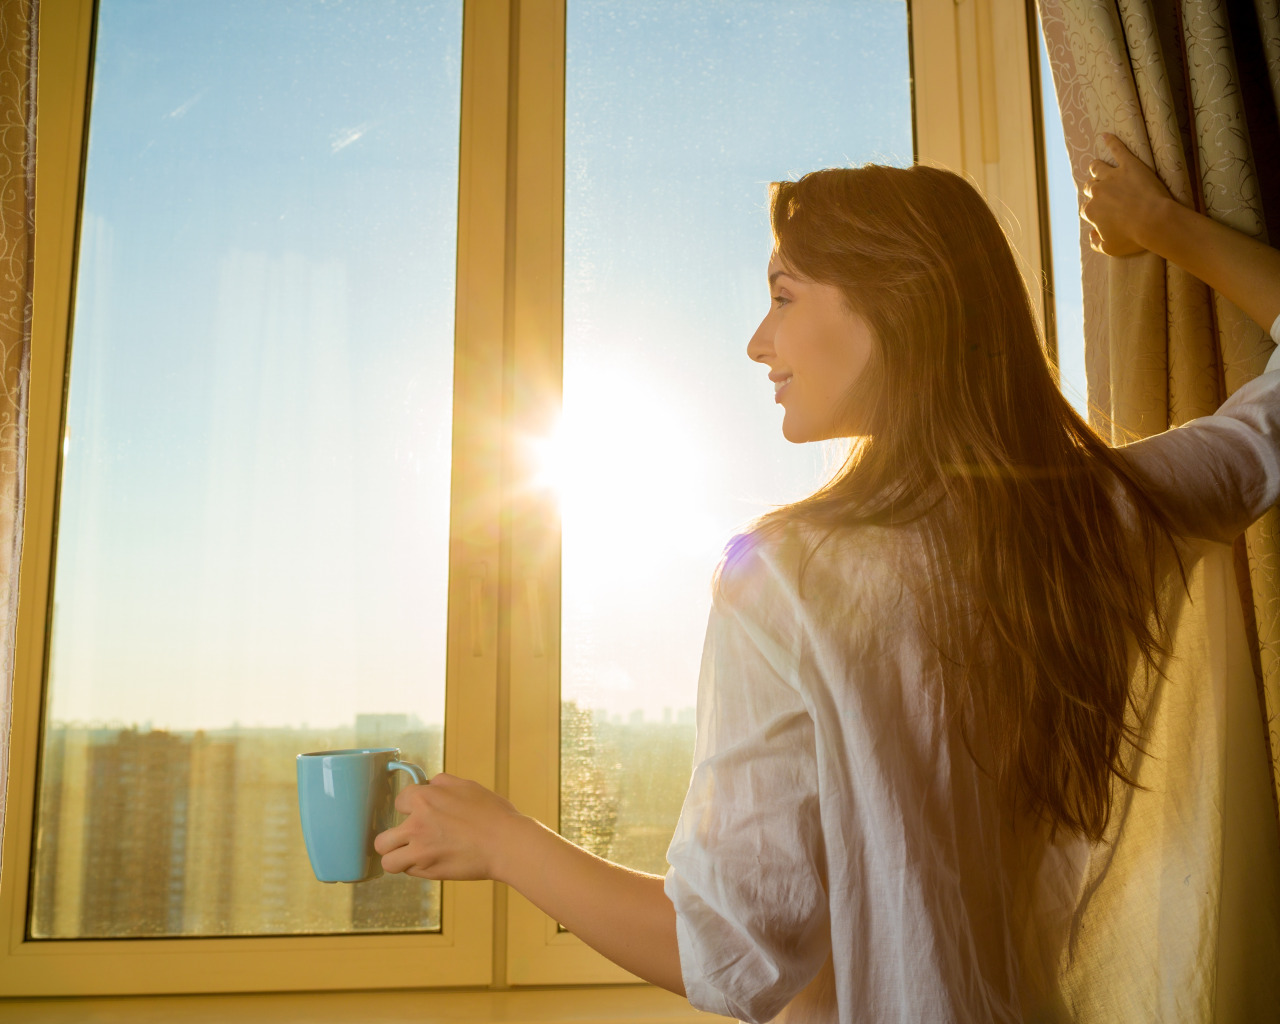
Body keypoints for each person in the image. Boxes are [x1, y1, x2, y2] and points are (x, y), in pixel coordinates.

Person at [373, 135, 1280, 1021]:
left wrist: (504, 843)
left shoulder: (789, 578)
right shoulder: (1110, 513)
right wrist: (1163, 226)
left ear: (897, 304)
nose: (757, 341)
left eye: (782, 295)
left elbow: (731, 956)